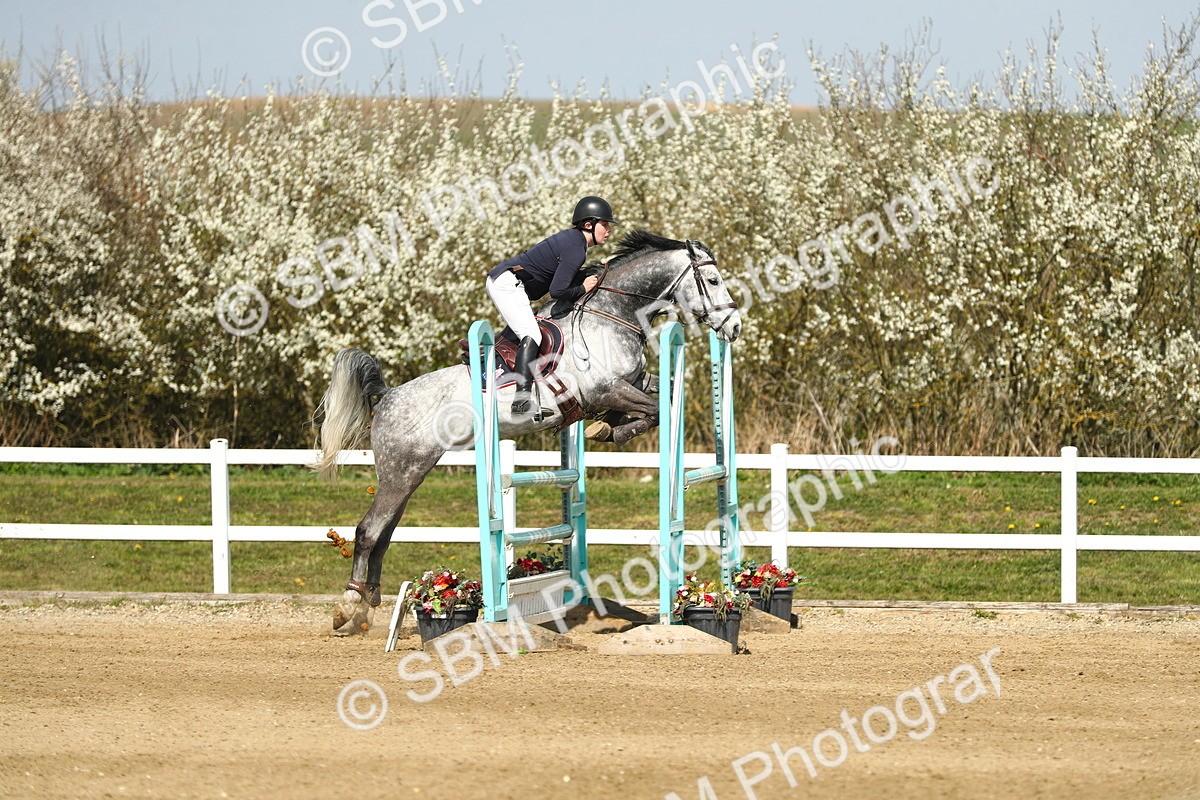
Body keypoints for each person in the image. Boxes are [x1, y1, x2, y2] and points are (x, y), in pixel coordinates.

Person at [486, 195, 619, 414]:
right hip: (507, 283)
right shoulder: (575, 248)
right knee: (532, 334)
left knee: (528, 331)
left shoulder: (574, 242)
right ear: (589, 224)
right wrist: (583, 288)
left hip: (510, 281)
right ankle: (521, 401)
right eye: (604, 224)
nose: (608, 229)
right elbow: (558, 291)